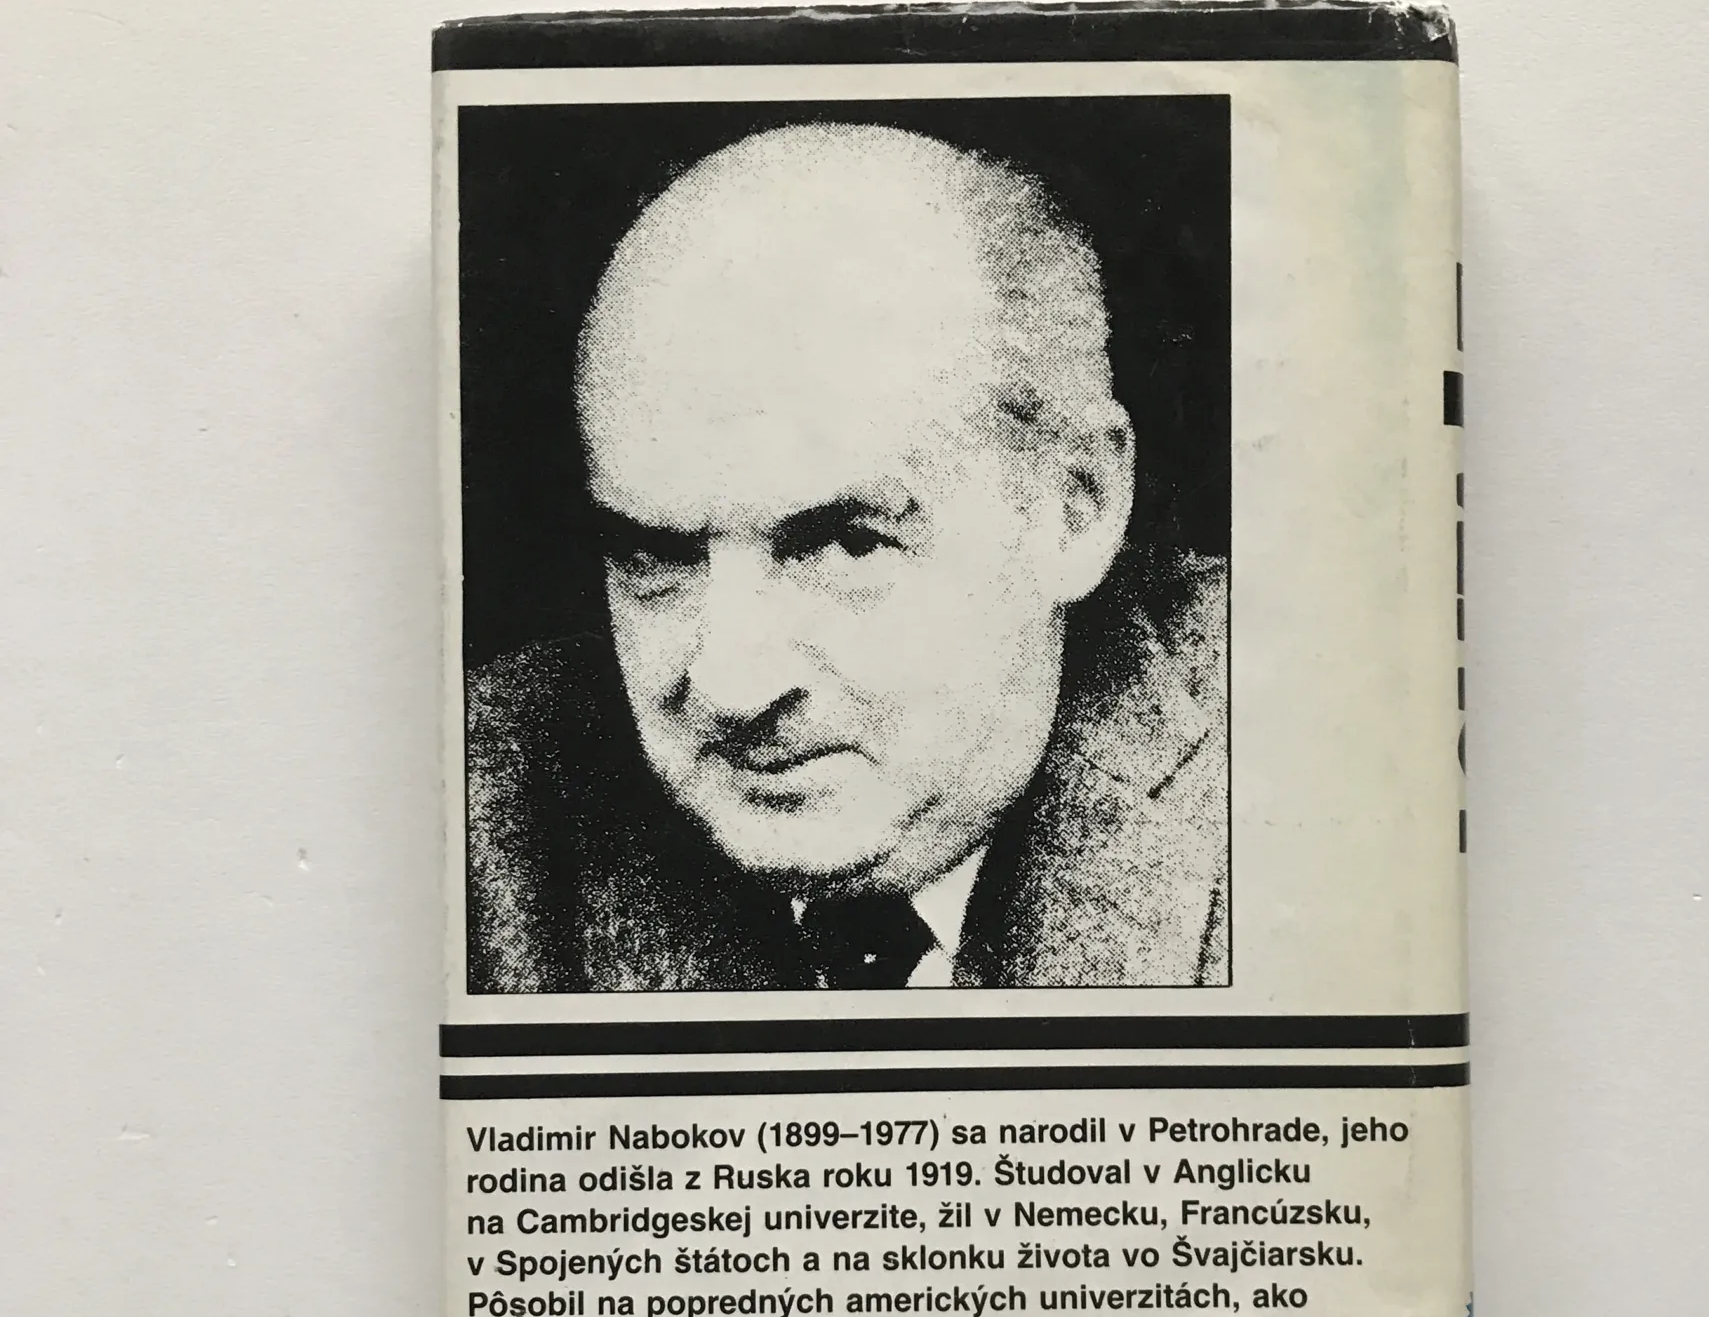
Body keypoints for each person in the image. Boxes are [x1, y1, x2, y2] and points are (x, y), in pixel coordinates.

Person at [466, 121, 1226, 991]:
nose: (730, 687)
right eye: (656, 556)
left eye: (844, 543)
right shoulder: (477, 816)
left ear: (1074, 507)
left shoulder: (1311, 773)